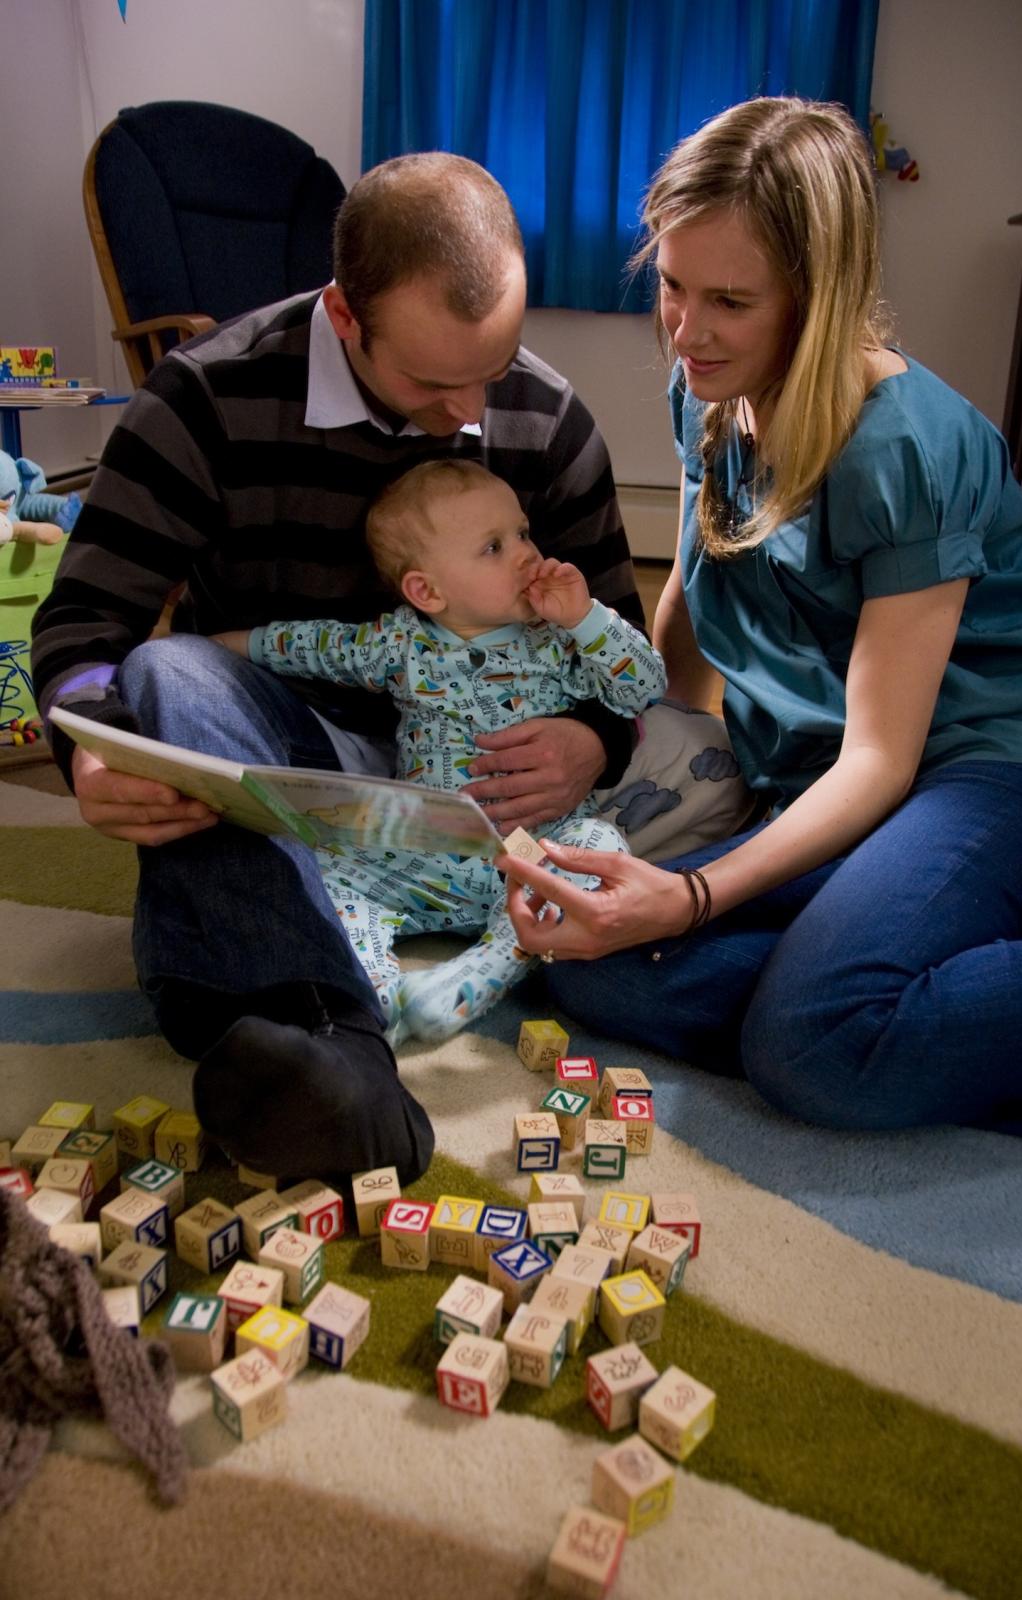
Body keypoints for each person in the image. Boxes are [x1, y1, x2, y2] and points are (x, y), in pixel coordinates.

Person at [31, 151, 751, 1183]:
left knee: (667, 769)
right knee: (168, 678)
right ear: (344, 312)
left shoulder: (544, 421)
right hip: (280, 751)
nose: (465, 411)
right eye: (428, 378)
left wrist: (591, 741)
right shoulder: (203, 399)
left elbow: (614, 649)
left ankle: (242, 1001)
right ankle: (339, 1044)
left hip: (473, 784)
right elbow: (84, 623)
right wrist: (88, 751)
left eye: (489, 369)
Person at [500, 96, 1022, 1143]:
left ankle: (876, 992)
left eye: (730, 301)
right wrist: (649, 785)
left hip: (990, 767)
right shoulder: (703, 391)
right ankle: (916, 988)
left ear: (818, 296)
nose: (687, 328)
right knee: (599, 973)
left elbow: (883, 760)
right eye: (671, 283)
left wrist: (690, 896)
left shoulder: (901, 449)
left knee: (810, 1044)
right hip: (824, 772)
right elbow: (694, 600)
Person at [213, 457, 667, 1044]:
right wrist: (229, 645)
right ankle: (369, 986)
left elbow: (644, 688)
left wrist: (586, 619)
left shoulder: (559, 639)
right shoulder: (400, 641)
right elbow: (316, 646)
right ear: (426, 590)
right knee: (320, 863)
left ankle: (482, 972)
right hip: (423, 851)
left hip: (534, 852)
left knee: (600, 849)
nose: (528, 553)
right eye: (494, 547)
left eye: (524, 533)